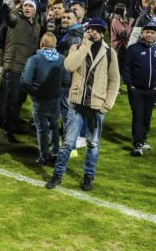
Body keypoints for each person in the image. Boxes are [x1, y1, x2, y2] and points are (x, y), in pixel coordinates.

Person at [45, 18, 121, 192]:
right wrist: (84, 46)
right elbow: (69, 66)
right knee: (67, 143)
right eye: (91, 29)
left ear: (102, 33)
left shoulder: (110, 53)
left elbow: (115, 80)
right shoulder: (77, 47)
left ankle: (89, 176)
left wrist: (107, 104)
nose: (93, 32)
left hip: (97, 105)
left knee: (93, 144)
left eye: (97, 30)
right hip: (76, 103)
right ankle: (58, 174)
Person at [0, 0, 42, 142]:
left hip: (27, 67)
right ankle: (7, 130)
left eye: (30, 6)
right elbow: (8, 16)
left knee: (20, 99)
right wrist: (5, 6)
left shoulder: (37, 26)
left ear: (35, 10)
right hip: (14, 66)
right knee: (12, 98)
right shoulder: (15, 19)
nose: (27, 8)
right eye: (25, 6)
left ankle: (14, 123)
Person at [21, 32, 67, 166]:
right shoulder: (62, 59)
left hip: (40, 100)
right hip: (55, 98)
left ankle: (44, 156)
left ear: (41, 44)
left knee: (42, 128)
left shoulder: (34, 59)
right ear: (55, 44)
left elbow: (25, 81)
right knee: (54, 126)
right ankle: (56, 153)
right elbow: (66, 80)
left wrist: (34, 93)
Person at [122, 24, 156, 157]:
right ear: (142, 34)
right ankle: (138, 144)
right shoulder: (133, 49)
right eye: (147, 32)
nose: (149, 35)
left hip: (152, 90)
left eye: (152, 33)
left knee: (147, 116)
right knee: (138, 116)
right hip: (136, 90)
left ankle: (144, 138)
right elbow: (126, 68)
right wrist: (130, 85)